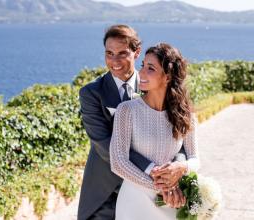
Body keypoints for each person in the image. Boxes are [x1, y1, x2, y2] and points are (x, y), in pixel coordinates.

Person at [78, 25, 187, 220]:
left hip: (152, 194)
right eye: (109, 53)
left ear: (136, 53)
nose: (114, 61)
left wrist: (176, 169)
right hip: (106, 194)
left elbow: (177, 134)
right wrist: (154, 173)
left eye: (122, 53)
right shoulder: (91, 93)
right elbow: (105, 145)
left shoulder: (155, 83)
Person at [110, 43, 200, 219]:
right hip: (135, 202)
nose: (141, 72)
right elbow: (118, 162)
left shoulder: (185, 113)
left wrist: (182, 167)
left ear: (167, 76)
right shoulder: (127, 110)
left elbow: (195, 159)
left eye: (150, 68)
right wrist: (163, 187)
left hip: (171, 203)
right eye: (142, 65)